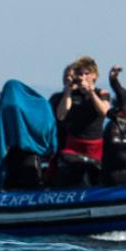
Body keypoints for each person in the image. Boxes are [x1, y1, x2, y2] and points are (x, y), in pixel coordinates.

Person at [48, 56, 111, 186]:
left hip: (95, 146)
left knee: (95, 178)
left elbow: (104, 112)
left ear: (94, 75)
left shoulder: (102, 93)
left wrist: (91, 93)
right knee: (68, 163)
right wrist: (68, 91)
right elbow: (60, 115)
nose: (83, 77)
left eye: (86, 74)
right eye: (80, 74)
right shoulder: (72, 94)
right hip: (74, 146)